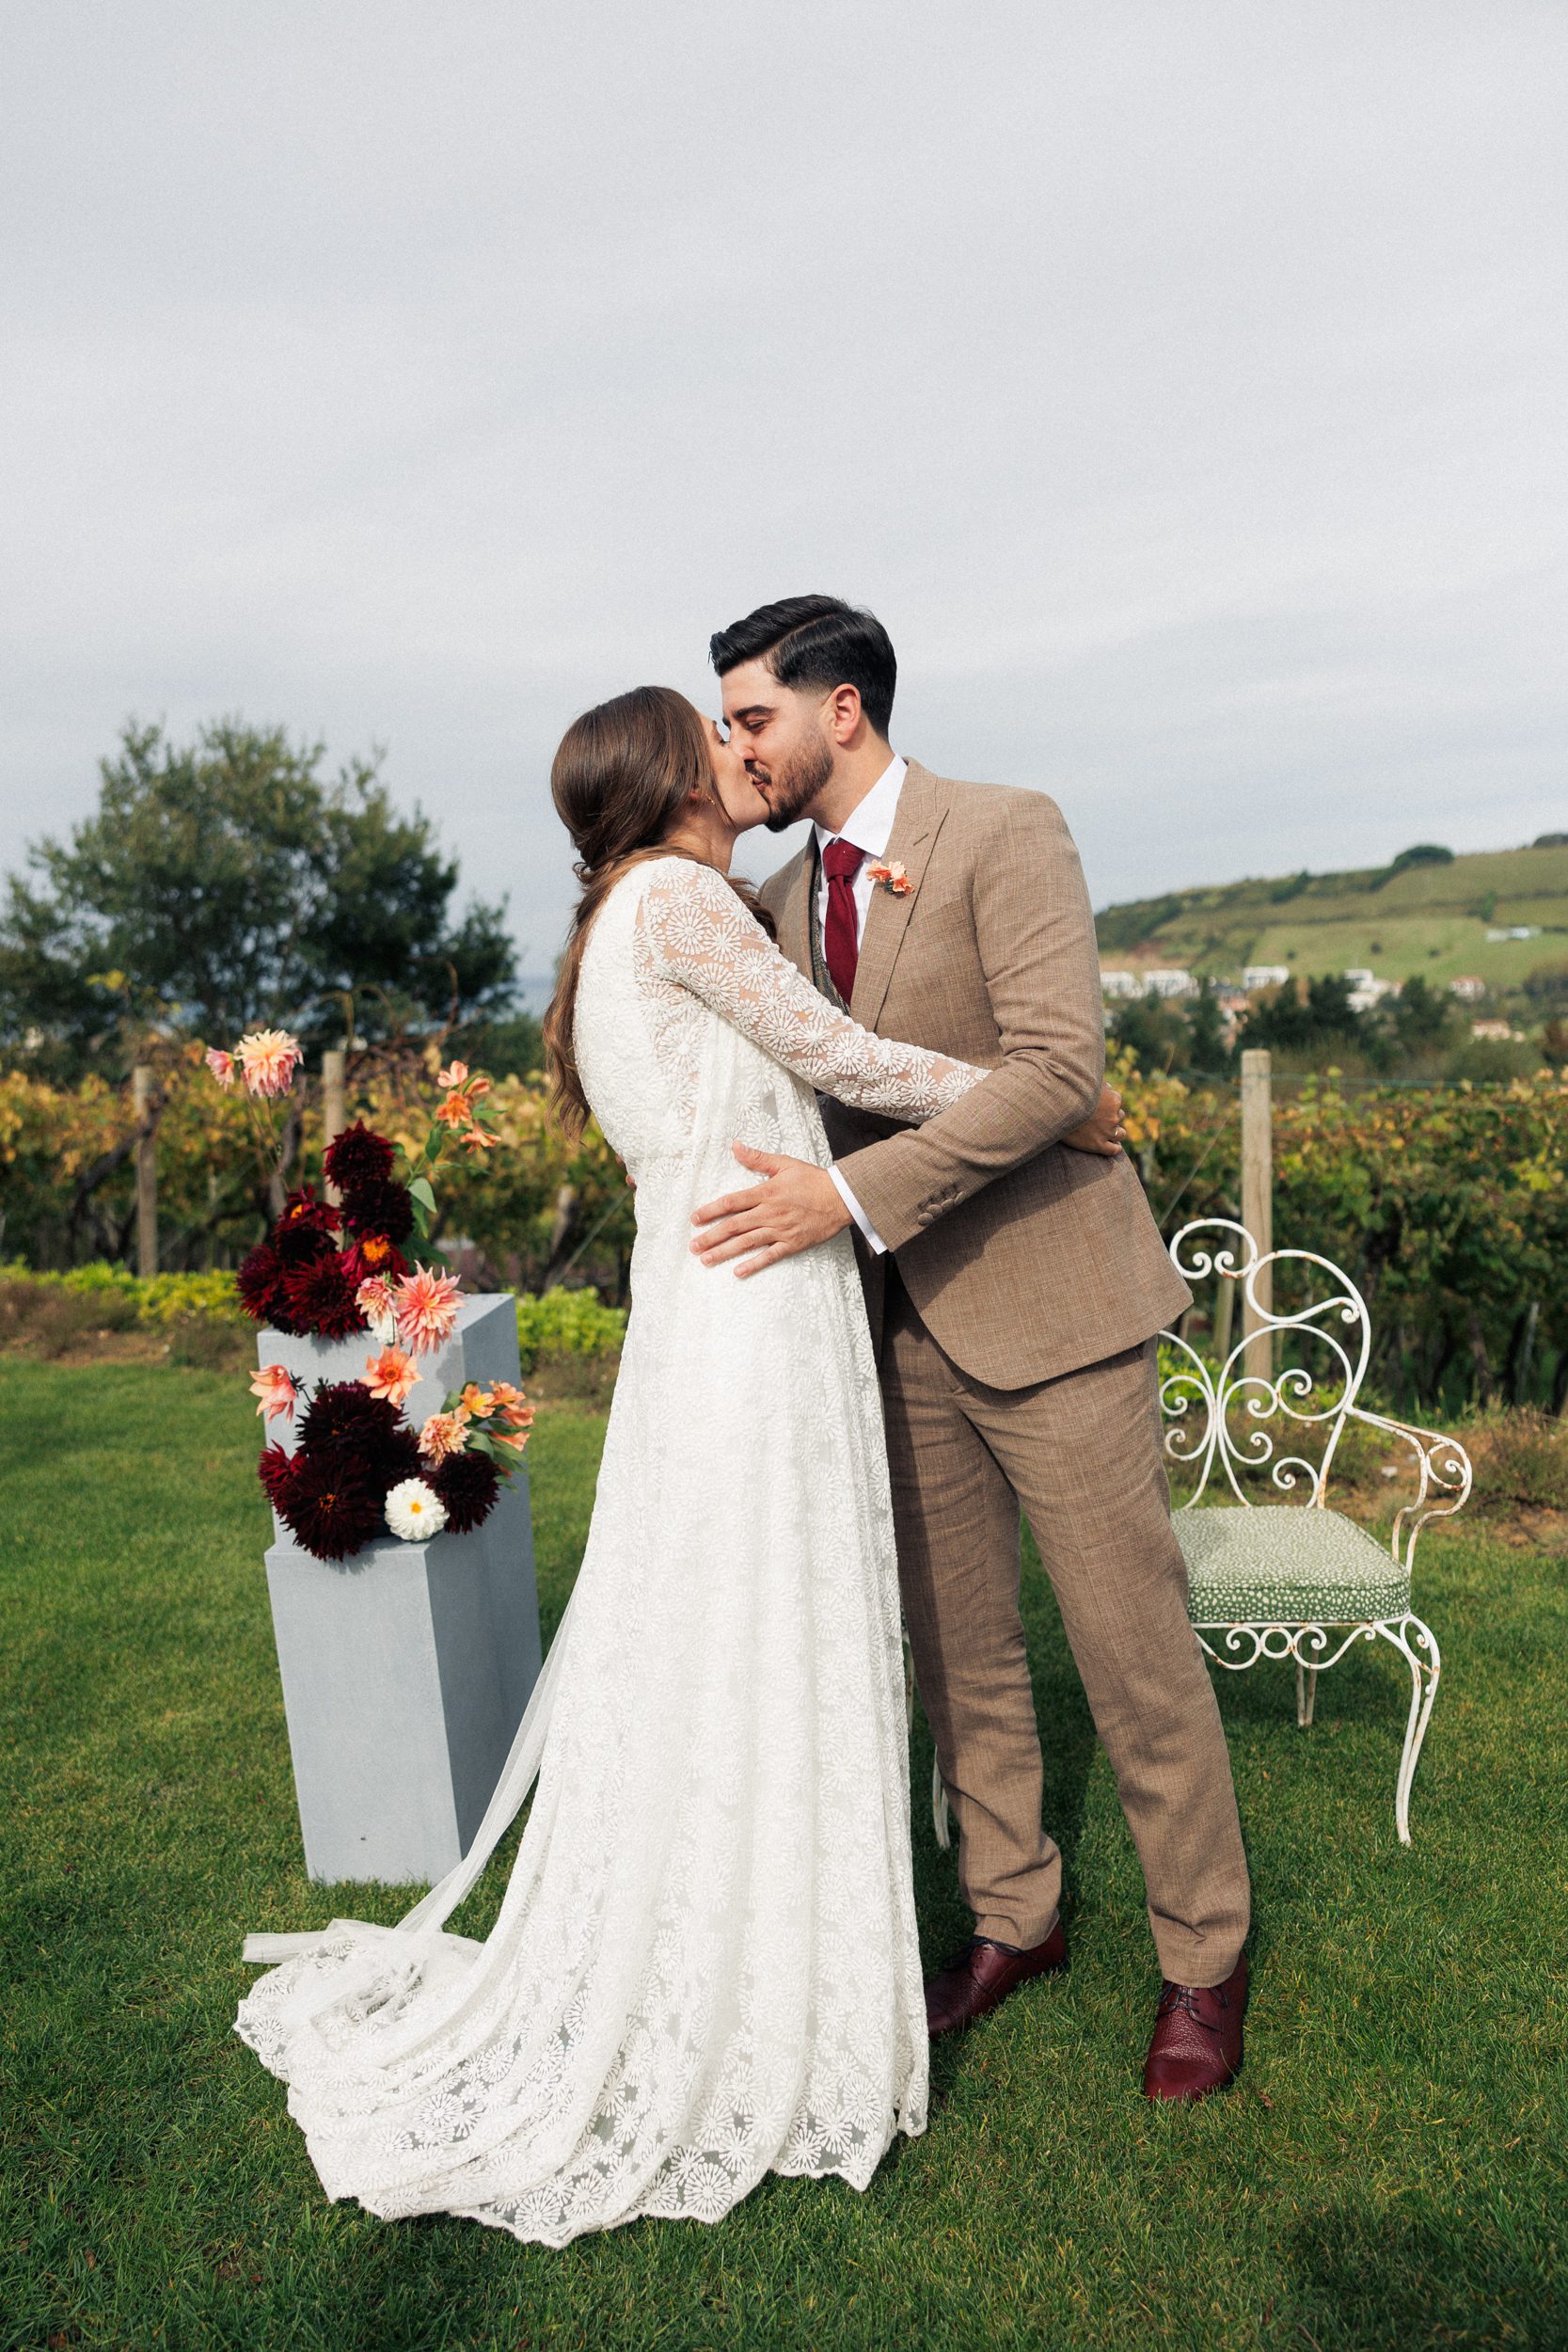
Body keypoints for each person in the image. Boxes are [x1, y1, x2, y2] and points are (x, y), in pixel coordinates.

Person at [234, 684, 1121, 2245]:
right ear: (668, 778)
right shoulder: (686, 902)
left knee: (713, 1626)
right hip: (760, 1316)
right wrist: (1044, 1105)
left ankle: (738, 1930)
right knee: (771, 1619)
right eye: (713, 735)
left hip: (704, 1321)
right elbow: (841, 1050)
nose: (740, 751)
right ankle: (769, 1991)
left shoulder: (617, 929)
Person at [692, 596, 1252, 2102]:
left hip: (1054, 1308)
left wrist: (849, 1196)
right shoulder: (781, 898)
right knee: (962, 1659)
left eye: (752, 718)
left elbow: (1062, 1068)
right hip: (897, 1331)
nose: (735, 748)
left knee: (1132, 1659)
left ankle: (1204, 1959)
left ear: (843, 710)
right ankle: (1019, 1918)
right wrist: (727, 841)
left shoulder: (1009, 829)